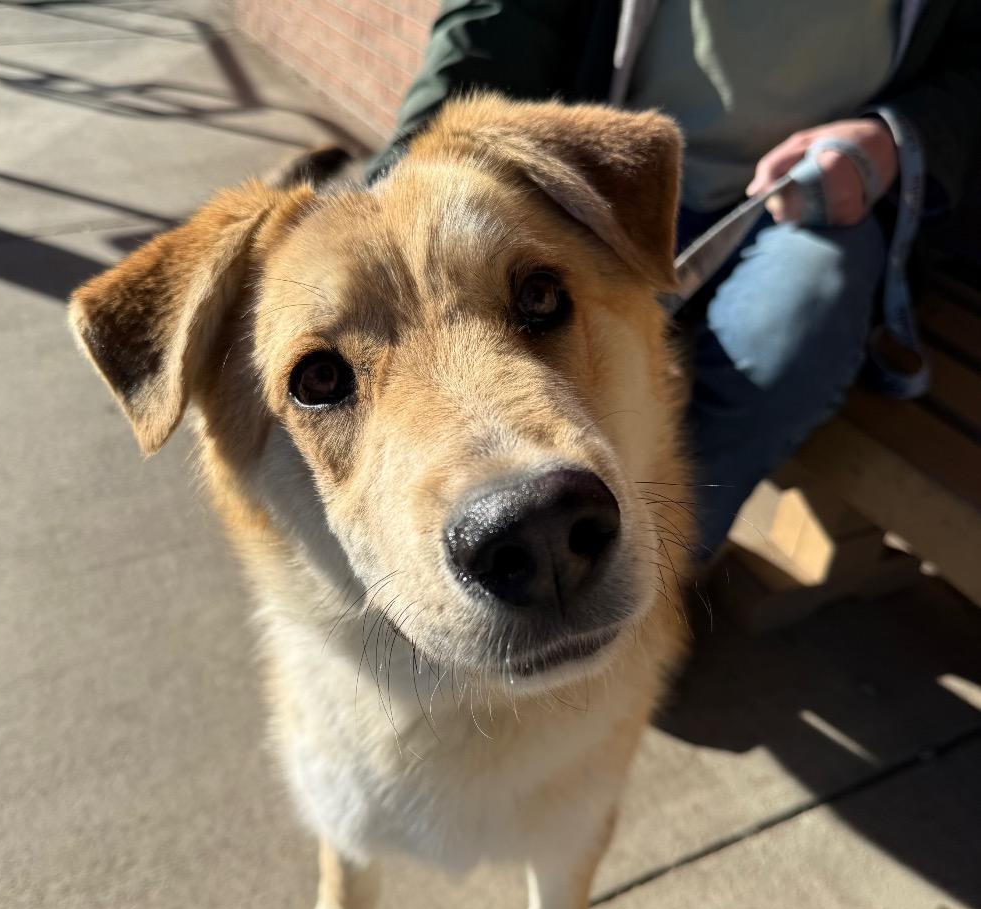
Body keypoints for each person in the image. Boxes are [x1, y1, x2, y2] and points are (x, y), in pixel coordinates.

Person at [365, 0, 981, 557]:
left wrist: (898, 138)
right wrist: (404, 184)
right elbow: (499, 17)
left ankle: (656, 588)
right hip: (608, 177)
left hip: (822, 200)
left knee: (788, 339)